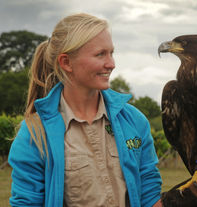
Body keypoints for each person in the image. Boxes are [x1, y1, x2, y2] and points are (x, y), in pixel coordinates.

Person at [8, 13, 162, 207]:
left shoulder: (134, 121)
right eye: (100, 54)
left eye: (111, 53)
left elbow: (150, 194)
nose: (111, 64)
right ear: (66, 63)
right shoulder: (34, 135)